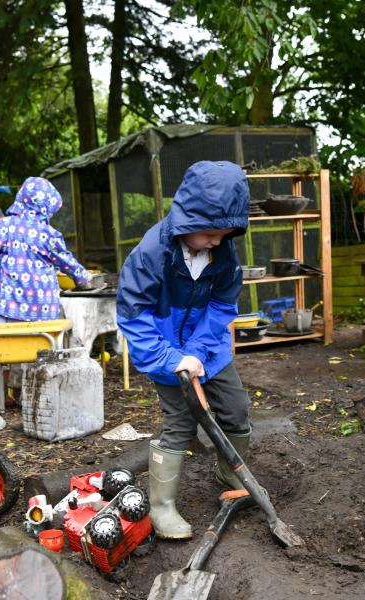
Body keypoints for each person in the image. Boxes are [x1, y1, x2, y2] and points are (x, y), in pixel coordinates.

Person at [116, 160, 251, 540]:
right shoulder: (150, 254)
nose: (216, 242)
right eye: (210, 233)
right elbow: (133, 316)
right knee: (179, 421)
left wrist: (197, 351)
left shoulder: (223, 252)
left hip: (209, 348)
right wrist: (174, 360)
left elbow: (224, 305)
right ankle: (161, 507)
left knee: (236, 408)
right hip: (164, 351)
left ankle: (229, 475)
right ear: (188, 220)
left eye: (225, 234)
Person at [0, 176, 90, 324]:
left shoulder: (3, 226)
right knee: (45, 345)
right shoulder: (48, 233)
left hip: (5, 306)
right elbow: (67, 262)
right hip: (43, 310)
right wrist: (84, 277)